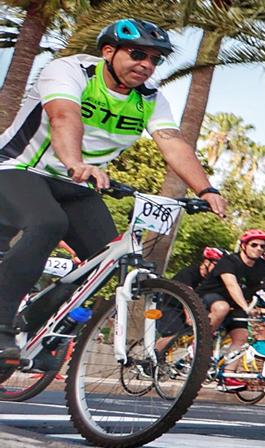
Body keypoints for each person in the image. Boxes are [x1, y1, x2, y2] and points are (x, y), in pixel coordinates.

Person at [0, 19, 228, 360]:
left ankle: (34, 325)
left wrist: (207, 189)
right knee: (48, 223)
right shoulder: (71, 71)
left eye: (155, 60)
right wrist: (76, 162)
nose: (146, 65)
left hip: (75, 183)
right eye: (138, 54)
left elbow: (172, 143)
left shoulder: (150, 99)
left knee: (104, 258)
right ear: (108, 51)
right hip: (19, 168)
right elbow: (64, 116)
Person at [205, 229, 265, 377]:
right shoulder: (229, 261)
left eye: (262, 246)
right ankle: (201, 345)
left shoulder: (262, 265)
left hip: (237, 304)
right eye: (254, 245)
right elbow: (232, 286)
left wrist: (264, 307)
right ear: (243, 246)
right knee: (222, 307)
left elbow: (263, 288)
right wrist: (246, 307)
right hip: (211, 297)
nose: (259, 249)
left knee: (241, 337)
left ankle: (228, 375)